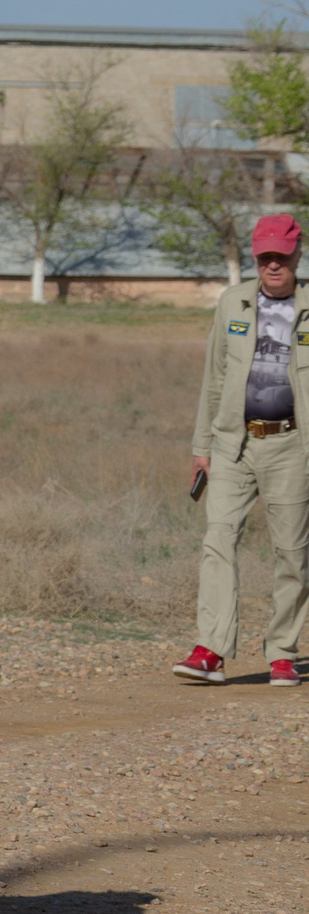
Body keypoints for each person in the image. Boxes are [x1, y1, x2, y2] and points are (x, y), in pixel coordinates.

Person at [179, 213, 309, 688]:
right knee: (218, 539)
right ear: (255, 257)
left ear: (298, 254)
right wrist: (202, 446)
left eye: (282, 255)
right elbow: (214, 380)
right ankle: (211, 649)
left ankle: (282, 652)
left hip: (292, 446)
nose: (273, 264)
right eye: (265, 256)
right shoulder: (233, 303)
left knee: (292, 552)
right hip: (234, 443)